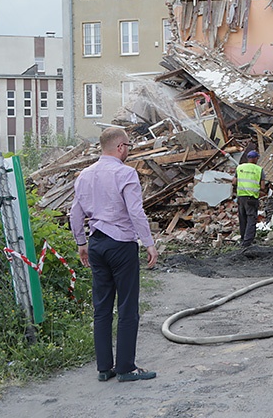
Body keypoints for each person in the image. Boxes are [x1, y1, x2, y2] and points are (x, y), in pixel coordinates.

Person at [69, 126, 158, 383]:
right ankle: (126, 368)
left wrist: (81, 242)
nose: (128, 150)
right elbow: (135, 212)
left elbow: (75, 213)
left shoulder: (85, 175)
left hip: (96, 244)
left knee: (102, 307)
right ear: (120, 147)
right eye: (128, 146)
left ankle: (104, 368)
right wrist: (149, 242)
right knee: (128, 306)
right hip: (121, 245)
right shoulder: (126, 173)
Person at [232, 149, 264, 247]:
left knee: (243, 218)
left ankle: (243, 239)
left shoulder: (239, 167)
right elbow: (262, 186)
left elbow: (233, 182)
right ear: (255, 159)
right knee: (251, 218)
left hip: (241, 197)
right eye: (257, 158)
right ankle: (247, 242)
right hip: (252, 198)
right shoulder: (259, 170)